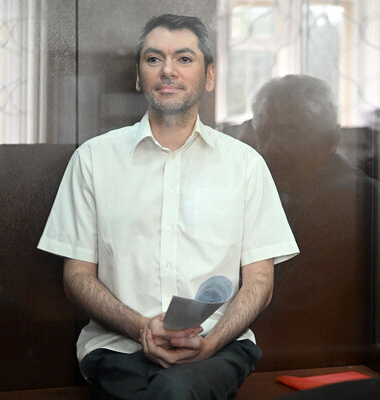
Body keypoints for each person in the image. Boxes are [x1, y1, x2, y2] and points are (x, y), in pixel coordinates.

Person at [38, 14, 298, 399]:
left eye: (184, 58)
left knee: (174, 391)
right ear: (138, 76)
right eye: (154, 58)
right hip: (117, 347)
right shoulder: (93, 160)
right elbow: (76, 277)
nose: (168, 70)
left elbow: (260, 281)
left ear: (210, 76)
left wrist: (211, 343)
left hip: (218, 346)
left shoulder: (245, 165)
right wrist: (141, 327)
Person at [246, 75, 378, 368]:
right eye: (264, 132)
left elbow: (296, 323)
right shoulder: (291, 195)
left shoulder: (344, 201)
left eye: (289, 132)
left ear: (330, 139)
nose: (271, 147)